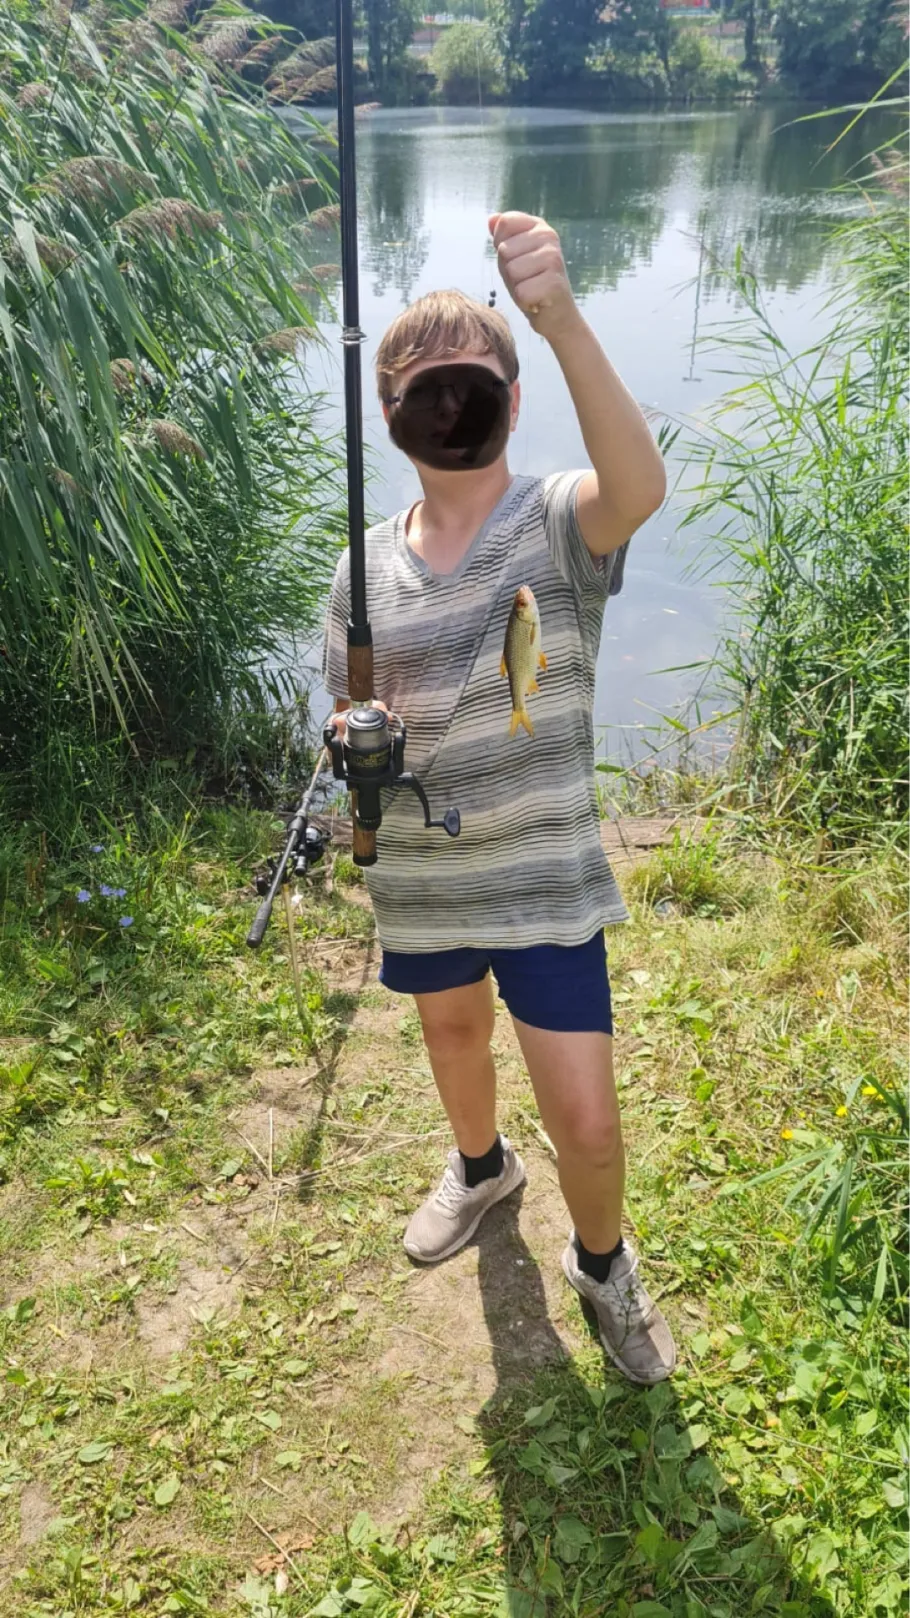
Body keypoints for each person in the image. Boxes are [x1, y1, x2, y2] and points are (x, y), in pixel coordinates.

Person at [323, 211, 676, 1385]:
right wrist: (352, 746)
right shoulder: (361, 569)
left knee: (588, 1121)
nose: (448, 406)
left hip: (546, 881)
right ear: (391, 417)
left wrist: (560, 317)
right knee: (452, 1035)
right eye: (421, 390)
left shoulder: (560, 521)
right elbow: (354, 705)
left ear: (508, 401)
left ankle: (602, 1260)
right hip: (425, 882)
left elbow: (642, 483)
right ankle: (481, 1168)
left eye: (471, 384)